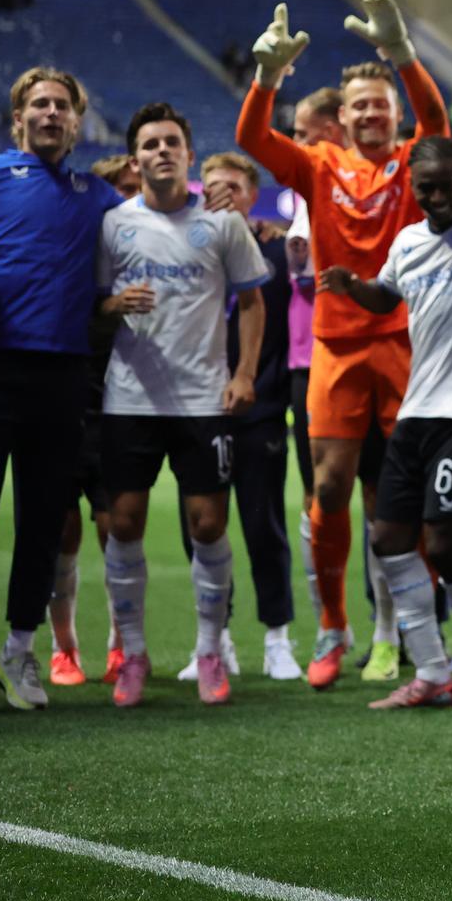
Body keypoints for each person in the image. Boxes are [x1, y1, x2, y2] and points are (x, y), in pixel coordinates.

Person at [236, 0, 450, 689]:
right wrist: (265, 80)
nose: (370, 113)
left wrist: (404, 58)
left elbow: (441, 122)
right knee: (328, 487)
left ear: (393, 111)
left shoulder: (416, 165)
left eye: (380, 103)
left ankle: (405, 634)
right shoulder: (318, 165)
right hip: (336, 346)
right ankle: (333, 627)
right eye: (359, 104)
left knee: (404, 498)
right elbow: (252, 142)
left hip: (404, 344)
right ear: (343, 115)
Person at [321, 68, 452, 710]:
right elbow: (384, 293)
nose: (436, 198)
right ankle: (433, 672)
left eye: (446, 187)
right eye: (426, 189)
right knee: (389, 539)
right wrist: (348, 284)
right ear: (413, 188)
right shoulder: (408, 242)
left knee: (444, 544)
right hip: (415, 415)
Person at [0, 69, 123, 713]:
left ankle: (19, 650)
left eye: (63, 106)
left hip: (63, 375)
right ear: (17, 117)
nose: (51, 114)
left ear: (78, 121)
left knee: (44, 523)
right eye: (39, 104)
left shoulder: (98, 195)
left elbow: (154, 218)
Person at [95, 104, 269, 707]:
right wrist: (114, 305)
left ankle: (208, 650)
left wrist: (245, 373)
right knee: (122, 523)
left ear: (190, 155)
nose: (162, 151)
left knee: (209, 525)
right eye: (150, 144)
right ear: (135, 157)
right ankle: (134, 655)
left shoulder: (223, 226)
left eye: (172, 142)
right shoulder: (113, 224)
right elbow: (93, 303)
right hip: (129, 398)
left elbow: (252, 302)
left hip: (203, 397)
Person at [283, 87, 394, 680]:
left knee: (384, 499)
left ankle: (388, 629)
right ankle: (332, 625)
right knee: (323, 495)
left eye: (306, 131)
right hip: (316, 361)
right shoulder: (311, 186)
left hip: (379, 350)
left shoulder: (376, 180)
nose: (301, 143)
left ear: (333, 125)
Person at [200, 151, 304, 682]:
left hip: (260, 409)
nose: (222, 195)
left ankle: (277, 639)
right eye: (212, 186)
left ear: (250, 195)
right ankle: (214, 640)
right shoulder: (191, 247)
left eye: (233, 188)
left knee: (264, 526)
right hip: (197, 407)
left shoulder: (277, 253)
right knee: (202, 528)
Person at [47, 153, 142, 688]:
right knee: (62, 530)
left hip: (120, 411)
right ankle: (64, 649)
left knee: (116, 530)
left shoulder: (149, 254)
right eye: (119, 190)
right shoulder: (74, 256)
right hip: (64, 404)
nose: (128, 198)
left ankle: (119, 644)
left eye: (135, 189)